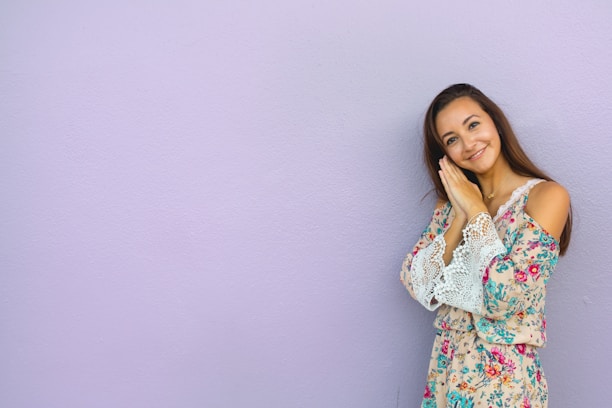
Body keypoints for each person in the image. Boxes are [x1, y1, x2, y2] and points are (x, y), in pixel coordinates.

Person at [400, 84, 571, 408]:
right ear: (445, 154)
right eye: (452, 139)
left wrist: (477, 211)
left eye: (473, 124)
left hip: (503, 381)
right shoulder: (451, 204)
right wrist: (460, 217)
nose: (468, 144)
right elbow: (418, 283)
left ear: (495, 121)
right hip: (445, 371)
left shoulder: (547, 197)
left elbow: (506, 297)